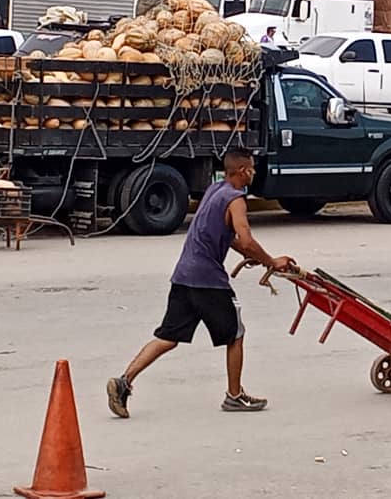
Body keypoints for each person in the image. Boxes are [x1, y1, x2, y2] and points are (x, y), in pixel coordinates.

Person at [107, 149, 295, 417]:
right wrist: (271, 261)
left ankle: (123, 382)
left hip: (184, 274)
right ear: (242, 171)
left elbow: (227, 237)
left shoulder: (215, 190)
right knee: (236, 333)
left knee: (167, 337)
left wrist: (250, 256)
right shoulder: (237, 200)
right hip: (208, 280)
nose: (253, 172)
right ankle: (235, 395)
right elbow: (247, 238)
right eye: (251, 168)